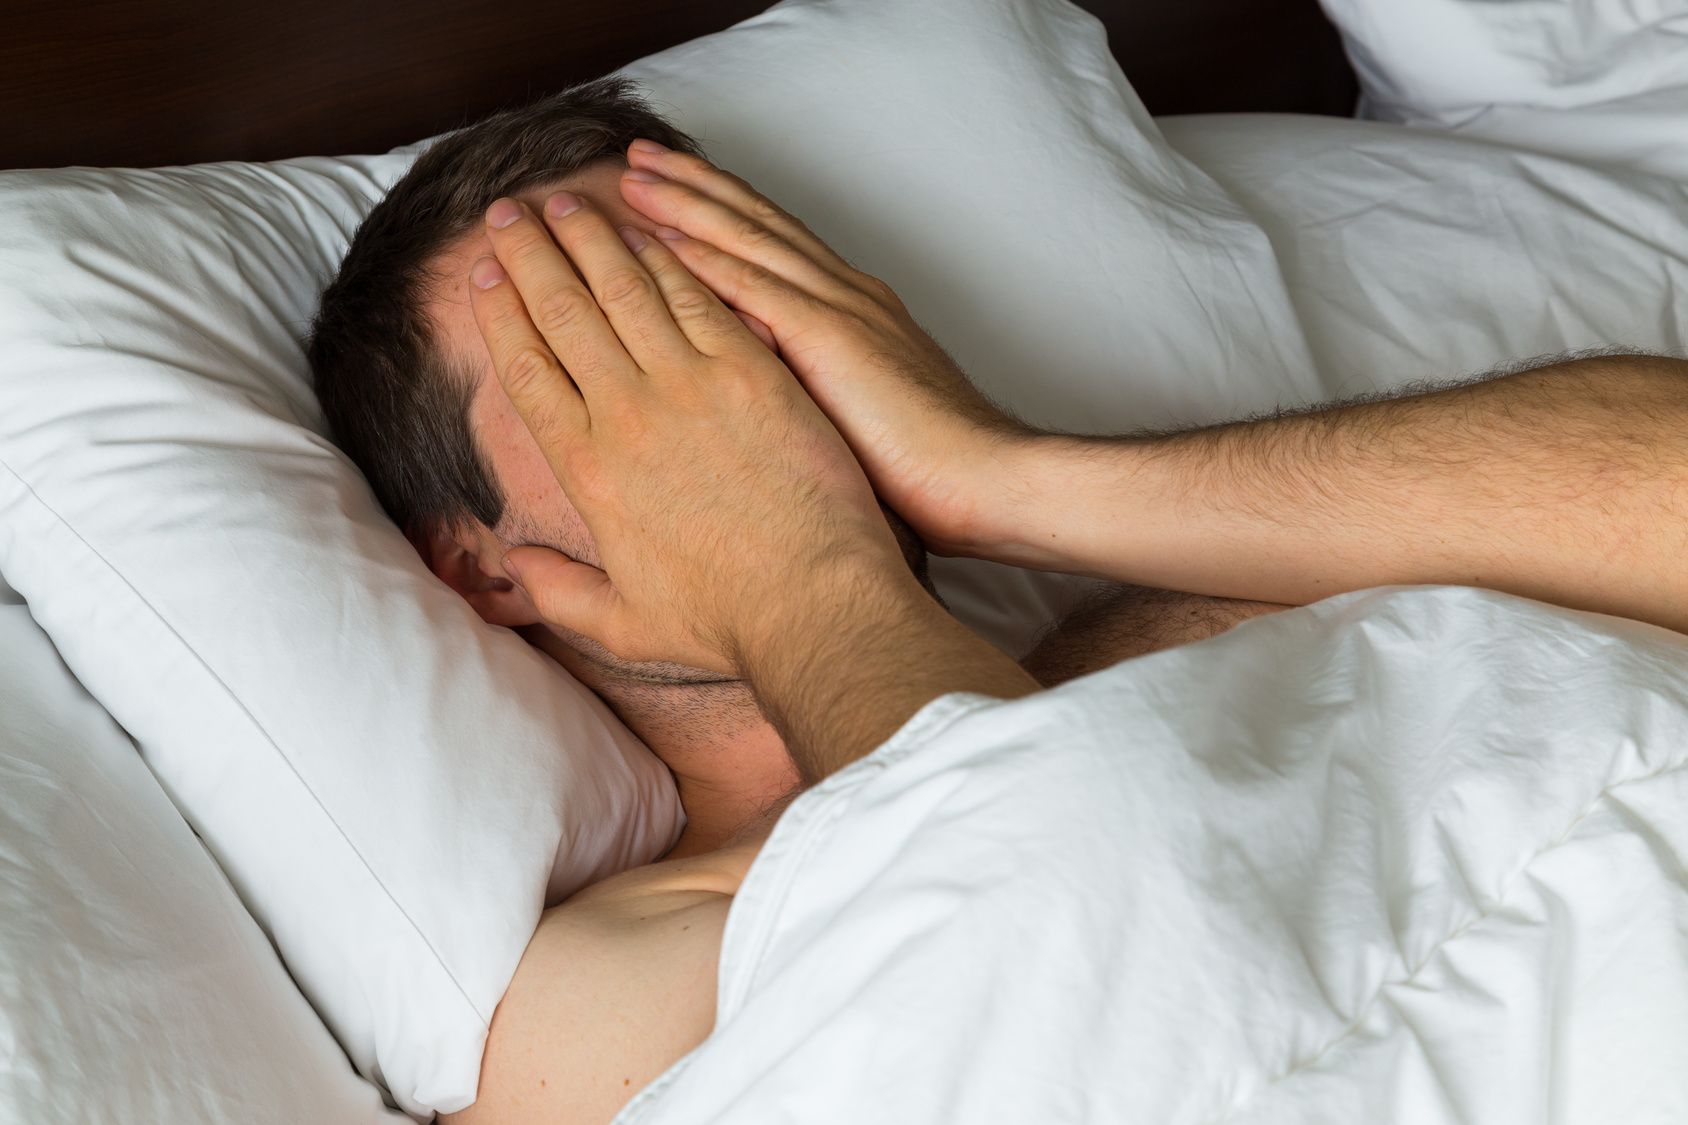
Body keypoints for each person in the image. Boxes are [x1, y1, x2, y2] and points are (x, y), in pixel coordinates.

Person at [311, 92, 1688, 1123]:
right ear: (489, 570)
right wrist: (791, 574)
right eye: (605, 361)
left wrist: (1007, 477)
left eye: (733, 299)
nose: (733, 386)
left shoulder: (1209, 594)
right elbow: (1110, 985)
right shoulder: (609, 990)